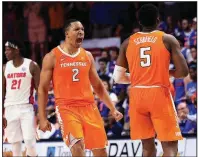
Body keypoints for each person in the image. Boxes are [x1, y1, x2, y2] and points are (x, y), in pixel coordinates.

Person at [38, 19, 123, 157]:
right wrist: (42, 118)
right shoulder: (52, 57)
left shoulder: (87, 56)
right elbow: (42, 89)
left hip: (89, 107)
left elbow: (98, 86)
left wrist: (112, 109)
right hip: (66, 108)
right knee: (77, 147)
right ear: (67, 33)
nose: (81, 32)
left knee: (101, 151)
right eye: (76, 29)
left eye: (82, 30)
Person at [113, 4, 188, 157]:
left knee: (147, 147)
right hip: (158, 93)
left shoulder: (127, 42)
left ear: (139, 21)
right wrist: (166, 72)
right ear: (158, 20)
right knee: (170, 145)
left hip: (137, 95)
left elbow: (118, 77)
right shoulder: (167, 39)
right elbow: (183, 72)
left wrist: (138, 77)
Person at [3, 40, 40, 157]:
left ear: (17, 50)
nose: (5, 52)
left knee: (30, 142)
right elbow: (2, 92)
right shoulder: (4, 67)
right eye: (5, 49)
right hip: (9, 108)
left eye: (8, 49)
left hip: (26, 108)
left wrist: (40, 113)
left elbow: (40, 91)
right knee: (15, 143)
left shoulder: (32, 65)